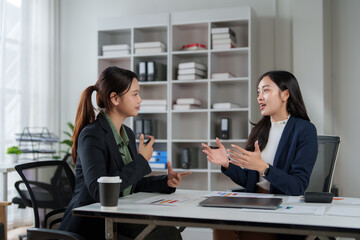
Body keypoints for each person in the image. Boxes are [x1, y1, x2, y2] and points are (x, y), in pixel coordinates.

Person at [59, 66, 191, 240]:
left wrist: (165, 182)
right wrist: (141, 160)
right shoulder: (92, 135)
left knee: (166, 231)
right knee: (166, 234)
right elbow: (100, 192)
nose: (140, 99)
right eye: (135, 94)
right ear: (115, 98)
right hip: (91, 221)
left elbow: (129, 184)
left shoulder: (126, 133)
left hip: (118, 214)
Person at [202, 70, 317, 240]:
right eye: (258, 92)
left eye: (266, 90)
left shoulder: (304, 130)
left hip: (281, 210)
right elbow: (249, 180)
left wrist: (264, 168)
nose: (259, 97)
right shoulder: (259, 130)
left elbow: (297, 186)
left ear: (285, 94)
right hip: (253, 202)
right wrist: (226, 163)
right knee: (220, 226)